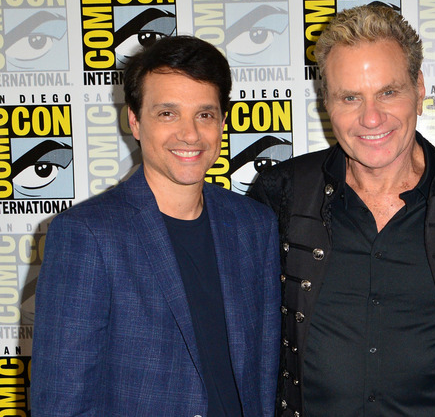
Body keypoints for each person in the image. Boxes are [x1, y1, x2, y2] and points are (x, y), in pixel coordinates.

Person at [249, 3, 435, 417]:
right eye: (350, 97)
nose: (370, 117)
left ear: (419, 89)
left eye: (388, 92)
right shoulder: (279, 193)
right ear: (327, 104)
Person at [31, 36, 281, 416]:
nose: (190, 133)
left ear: (223, 122)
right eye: (167, 113)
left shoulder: (254, 226)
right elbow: (63, 403)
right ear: (134, 120)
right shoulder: (85, 234)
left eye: (205, 114)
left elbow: (263, 376)